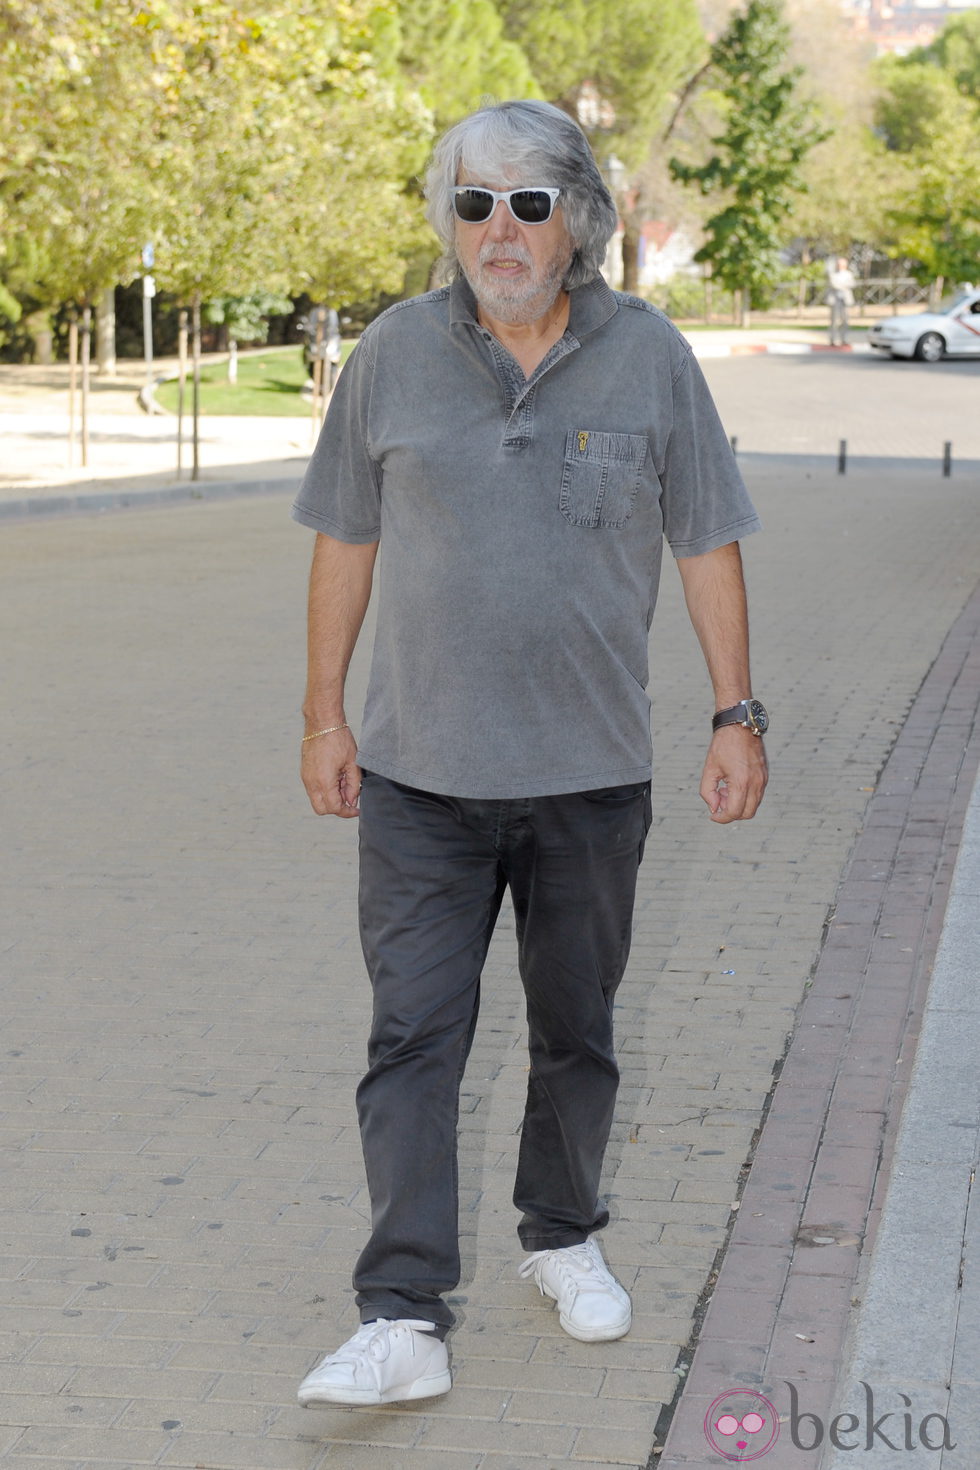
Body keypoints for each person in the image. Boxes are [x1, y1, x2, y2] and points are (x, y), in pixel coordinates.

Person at [292, 99, 769, 1409]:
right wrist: (323, 712)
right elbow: (344, 536)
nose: (498, 229)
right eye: (472, 203)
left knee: (578, 1030)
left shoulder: (653, 359)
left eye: (528, 203)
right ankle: (401, 1310)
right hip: (418, 783)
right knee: (413, 1039)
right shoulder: (393, 351)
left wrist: (737, 713)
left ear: (581, 220)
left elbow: (707, 537)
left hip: (590, 780)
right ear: (449, 220)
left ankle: (562, 1233)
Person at [826, 256, 856, 346]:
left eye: (841, 264)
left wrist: (842, 285)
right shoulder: (833, 274)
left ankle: (844, 338)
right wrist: (844, 286)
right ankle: (833, 339)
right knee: (834, 321)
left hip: (845, 300)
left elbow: (852, 284)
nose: (840, 266)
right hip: (835, 300)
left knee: (845, 320)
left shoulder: (849, 274)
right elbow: (834, 284)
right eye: (838, 264)